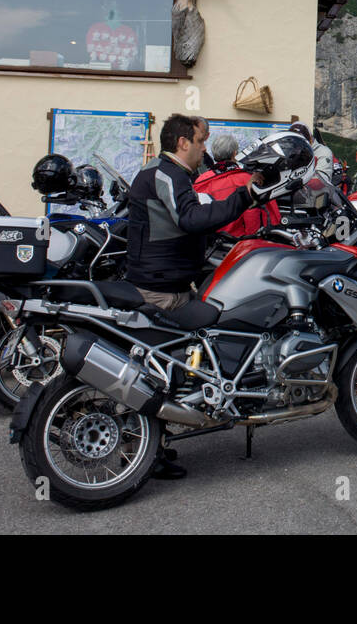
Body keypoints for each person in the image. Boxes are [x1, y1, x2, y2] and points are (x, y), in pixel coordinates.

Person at [127, 115, 265, 481]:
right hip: (160, 292)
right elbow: (189, 217)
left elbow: (179, 223)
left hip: (168, 284)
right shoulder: (164, 174)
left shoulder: (174, 177)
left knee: (167, 365)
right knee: (170, 365)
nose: (206, 147)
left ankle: (151, 447)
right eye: (201, 140)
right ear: (183, 143)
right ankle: (147, 448)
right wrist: (245, 196)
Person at [193, 134, 264, 238]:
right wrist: (252, 239)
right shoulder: (246, 178)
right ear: (235, 154)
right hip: (236, 241)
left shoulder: (202, 180)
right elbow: (251, 213)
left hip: (210, 241)